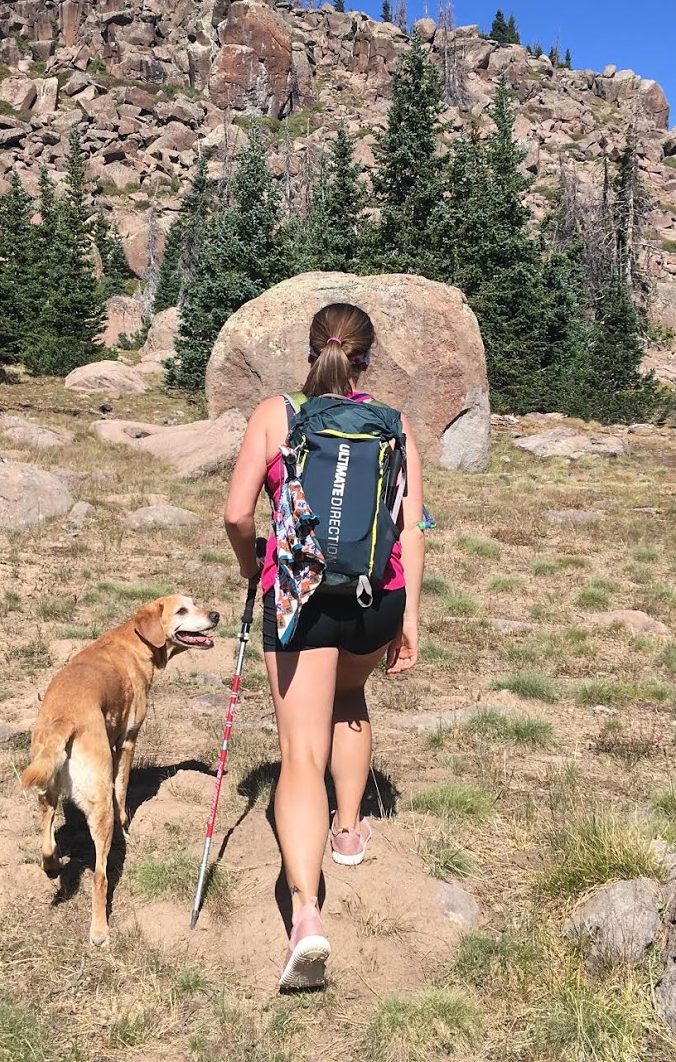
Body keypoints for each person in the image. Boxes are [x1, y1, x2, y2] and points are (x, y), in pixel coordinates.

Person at [224, 301, 425, 992]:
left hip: (301, 602)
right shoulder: (393, 427)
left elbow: (234, 512)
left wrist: (254, 565)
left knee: (299, 754)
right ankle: (348, 831)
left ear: (312, 351)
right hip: (376, 600)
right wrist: (410, 620)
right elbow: (412, 529)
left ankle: (306, 915)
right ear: (367, 358)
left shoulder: (275, 415)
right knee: (352, 694)